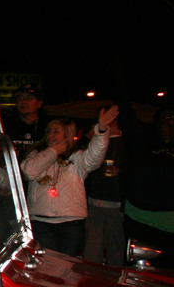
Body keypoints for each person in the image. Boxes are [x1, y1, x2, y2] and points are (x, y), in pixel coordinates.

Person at [20, 107, 118, 256]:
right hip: (41, 221)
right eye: (49, 131)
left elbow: (95, 157)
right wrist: (53, 152)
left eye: (56, 131)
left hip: (71, 221)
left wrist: (102, 129)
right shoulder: (36, 153)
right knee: (50, 263)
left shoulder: (77, 157)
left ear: (67, 135)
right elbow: (29, 172)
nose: (51, 135)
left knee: (67, 264)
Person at [117, 101, 174, 270]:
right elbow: (127, 116)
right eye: (162, 118)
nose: (166, 122)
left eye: (171, 118)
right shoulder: (145, 142)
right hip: (138, 219)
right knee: (136, 271)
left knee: (169, 275)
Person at [82, 109, 126, 266]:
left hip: (116, 204)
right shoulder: (96, 138)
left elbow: (136, 168)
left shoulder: (127, 142)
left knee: (116, 248)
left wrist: (119, 171)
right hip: (93, 202)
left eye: (110, 119)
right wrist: (90, 134)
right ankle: (91, 281)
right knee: (92, 249)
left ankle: (116, 282)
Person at [3, 84, 49, 159]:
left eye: (29, 98)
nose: (23, 101)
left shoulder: (48, 126)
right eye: (20, 98)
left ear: (39, 103)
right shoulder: (5, 125)